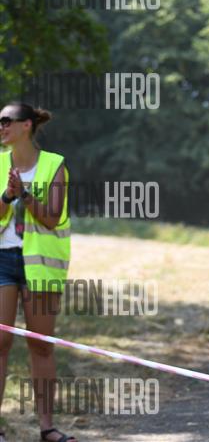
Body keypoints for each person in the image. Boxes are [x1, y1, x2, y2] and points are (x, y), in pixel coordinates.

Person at [0, 103, 74, 442]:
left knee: (41, 345)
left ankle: (47, 428)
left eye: (6, 121)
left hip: (40, 265)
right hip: (3, 259)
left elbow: (53, 217)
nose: (1, 127)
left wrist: (25, 195)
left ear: (26, 125)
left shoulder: (54, 164)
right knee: (0, 342)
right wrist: (7, 195)